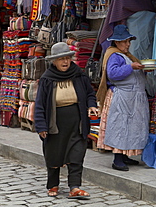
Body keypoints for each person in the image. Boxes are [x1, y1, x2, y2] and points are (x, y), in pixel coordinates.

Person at [34, 42, 98, 199]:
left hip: (77, 122)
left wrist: (91, 106)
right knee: (53, 154)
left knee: (77, 154)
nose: (65, 62)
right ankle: (53, 184)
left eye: (67, 58)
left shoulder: (79, 75)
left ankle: (74, 187)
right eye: (61, 59)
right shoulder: (47, 79)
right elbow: (40, 104)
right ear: (54, 61)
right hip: (55, 124)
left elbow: (90, 94)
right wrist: (41, 125)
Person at [96, 24, 149, 171]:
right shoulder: (113, 55)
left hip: (132, 98)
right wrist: (131, 67)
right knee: (120, 126)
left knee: (131, 127)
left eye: (128, 41)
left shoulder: (127, 56)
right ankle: (117, 159)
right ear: (116, 42)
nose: (128, 44)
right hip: (122, 98)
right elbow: (112, 74)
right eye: (125, 41)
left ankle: (125, 155)